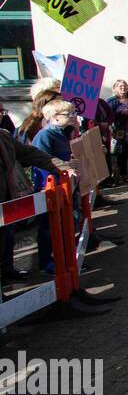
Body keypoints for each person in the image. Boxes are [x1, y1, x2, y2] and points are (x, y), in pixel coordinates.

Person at [0, 123, 75, 289]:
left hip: (6, 201)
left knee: (6, 238)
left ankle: (6, 271)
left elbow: (30, 153)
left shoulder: (3, 136)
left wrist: (62, 166)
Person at [30, 100, 78, 274]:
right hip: (49, 187)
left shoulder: (62, 133)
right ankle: (47, 262)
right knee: (48, 228)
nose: (73, 116)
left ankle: (66, 259)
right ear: (55, 118)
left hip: (62, 186)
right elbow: (41, 161)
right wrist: (48, 183)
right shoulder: (45, 136)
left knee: (65, 224)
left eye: (73, 113)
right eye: (69, 114)